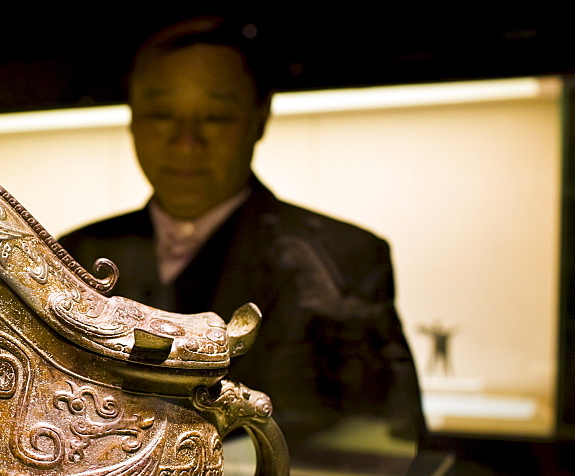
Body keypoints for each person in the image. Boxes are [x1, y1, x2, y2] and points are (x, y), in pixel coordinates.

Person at [60, 16, 425, 451]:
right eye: (161, 113)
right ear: (133, 118)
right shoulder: (71, 255)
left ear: (260, 118)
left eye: (215, 116)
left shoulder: (343, 258)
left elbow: (388, 437)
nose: (186, 141)